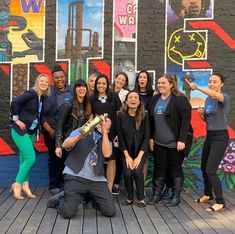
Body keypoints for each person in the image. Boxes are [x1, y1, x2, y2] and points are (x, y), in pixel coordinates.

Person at [47, 117, 116, 219]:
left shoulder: (107, 140)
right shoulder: (82, 130)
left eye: (105, 124)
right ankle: (61, 198)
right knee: (68, 213)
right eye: (101, 123)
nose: (102, 124)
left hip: (96, 180)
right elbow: (65, 145)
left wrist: (105, 133)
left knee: (110, 211)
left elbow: (107, 154)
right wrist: (79, 136)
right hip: (75, 175)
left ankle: (91, 198)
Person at [186, 73, 229, 212]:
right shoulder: (208, 100)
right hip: (210, 136)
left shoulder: (224, 98)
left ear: (221, 84)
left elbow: (217, 96)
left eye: (215, 81)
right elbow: (209, 120)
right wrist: (201, 115)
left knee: (211, 170)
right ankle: (208, 194)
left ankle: (220, 202)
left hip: (221, 137)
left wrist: (197, 88)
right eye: (210, 81)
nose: (211, 83)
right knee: (204, 167)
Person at [148, 73, 193, 207]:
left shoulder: (179, 99)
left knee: (175, 168)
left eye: (163, 83)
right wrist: (150, 138)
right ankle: (157, 194)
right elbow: (150, 120)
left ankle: (176, 196)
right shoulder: (155, 99)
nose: (160, 85)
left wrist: (182, 140)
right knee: (159, 168)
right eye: (159, 83)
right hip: (159, 142)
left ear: (171, 85)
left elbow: (186, 121)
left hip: (176, 143)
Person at [10, 74, 50, 199]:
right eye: (42, 81)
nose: (44, 83)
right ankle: (17, 184)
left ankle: (25, 186)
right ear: (37, 82)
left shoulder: (41, 97)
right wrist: (16, 119)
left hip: (31, 132)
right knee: (31, 158)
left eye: (46, 82)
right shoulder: (31, 93)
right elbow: (14, 102)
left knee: (24, 159)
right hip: (20, 131)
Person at [42, 65, 73, 195]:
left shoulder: (71, 90)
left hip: (69, 132)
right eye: (56, 77)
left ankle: (67, 186)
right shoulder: (48, 94)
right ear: (52, 79)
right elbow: (42, 115)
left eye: (61, 77)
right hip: (53, 132)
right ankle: (54, 185)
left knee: (68, 159)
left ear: (65, 77)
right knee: (55, 159)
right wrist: (50, 131)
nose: (59, 79)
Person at [117, 91, 150, 207]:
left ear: (139, 101)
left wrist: (138, 158)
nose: (133, 99)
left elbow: (146, 137)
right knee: (127, 173)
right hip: (126, 151)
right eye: (130, 97)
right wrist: (127, 156)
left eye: (136, 98)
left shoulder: (144, 115)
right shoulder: (121, 115)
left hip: (141, 151)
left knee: (137, 172)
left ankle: (141, 198)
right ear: (126, 101)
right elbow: (120, 136)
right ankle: (130, 198)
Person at [90, 74, 122, 192]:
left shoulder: (114, 97)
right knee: (96, 159)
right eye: (99, 83)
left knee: (112, 160)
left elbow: (119, 115)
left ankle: (109, 189)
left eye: (103, 83)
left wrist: (119, 131)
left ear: (107, 84)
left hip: (112, 133)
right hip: (96, 133)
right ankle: (96, 190)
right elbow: (90, 117)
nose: (101, 86)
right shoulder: (91, 98)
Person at [55, 79, 93, 158]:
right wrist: (58, 146)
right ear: (75, 89)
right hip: (70, 142)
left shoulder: (88, 106)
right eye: (78, 86)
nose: (81, 89)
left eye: (83, 86)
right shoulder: (67, 105)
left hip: (82, 143)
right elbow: (59, 126)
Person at [111, 72, 129, 195]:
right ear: (115, 79)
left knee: (117, 156)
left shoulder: (126, 94)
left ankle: (116, 184)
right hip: (107, 128)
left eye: (123, 80)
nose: (120, 81)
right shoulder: (107, 91)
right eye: (119, 78)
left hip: (120, 128)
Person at [134, 70, 154, 182]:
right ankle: (131, 186)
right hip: (134, 129)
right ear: (137, 80)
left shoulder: (154, 95)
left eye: (144, 77)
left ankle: (142, 186)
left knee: (144, 158)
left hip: (148, 128)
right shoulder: (132, 93)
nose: (142, 79)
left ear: (148, 80)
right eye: (140, 77)